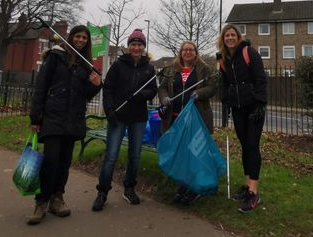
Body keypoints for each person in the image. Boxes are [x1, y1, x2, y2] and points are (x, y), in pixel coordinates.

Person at [28, 25, 102, 225]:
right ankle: (41, 201)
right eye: (77, 36)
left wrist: (96, 85)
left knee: (64, 162)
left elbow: (86, 93)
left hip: (74, 118)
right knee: (51, 159)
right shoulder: (55, 56)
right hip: (53, 116)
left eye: (84, 38)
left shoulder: (86, 64)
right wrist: (36, 117)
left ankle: (57, 198)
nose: (81, 40)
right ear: (71, 37)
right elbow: (41, 86)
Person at [92, 29, 157, 211]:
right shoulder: (118, 65)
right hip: (118, 117)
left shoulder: (149, 68)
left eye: (139, 45)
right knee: (111, 156)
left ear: (143, 47)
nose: (136, 48)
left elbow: (153, 90)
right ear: (129, 47)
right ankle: (102, 191)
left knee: (134, 156)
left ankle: (129, 188)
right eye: (133, 45)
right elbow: (108, 89)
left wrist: (141, 95)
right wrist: (109, 111)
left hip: (138, 117)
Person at [157, 40, 216, 204]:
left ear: (196, 52)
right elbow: (161, 88)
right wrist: (164, 98)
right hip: (175, 118)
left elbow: (212, 88)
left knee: (194, 153)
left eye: (191, 50)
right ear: (180, 52)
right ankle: (182, 186)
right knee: (181, 154)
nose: (188, 52)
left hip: (196, 118)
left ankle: (193, 188)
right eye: (185, 50)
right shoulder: (171, 69)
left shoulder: (203, 69)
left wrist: (199, 92)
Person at [217, 24, 267, 213]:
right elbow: (224, 83)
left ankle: (254, 193)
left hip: (253, 106)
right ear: (223, 38)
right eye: (227, 35)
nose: (230, 38)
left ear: (238, 37)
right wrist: (225, 103)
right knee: (245, 145)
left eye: (233, 35)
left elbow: (261, 79)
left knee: (253, 145)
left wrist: (260, 104)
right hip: (237, 107)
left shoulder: (249, 52)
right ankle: (247, 186)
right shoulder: (223, 59)